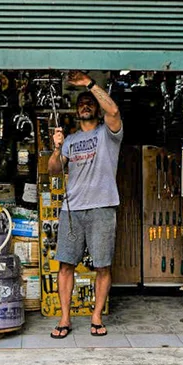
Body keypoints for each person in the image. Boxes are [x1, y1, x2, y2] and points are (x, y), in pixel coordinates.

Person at [48, 70, 123, 338]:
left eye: (89, 102)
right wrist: (56, 149)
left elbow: (113, 110)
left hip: (102, 207)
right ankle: (65, 318)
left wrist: (89, 85)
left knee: (102, 265)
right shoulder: (70, 140)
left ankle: (96, 316)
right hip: (72, 210)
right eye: (81, 103)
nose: (86, 105)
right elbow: (54, 170)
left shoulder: (108, 134)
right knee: (65, 264)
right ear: (76, 112)